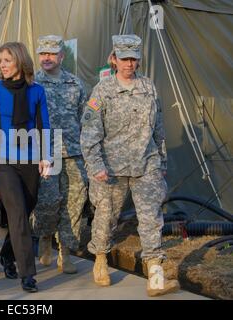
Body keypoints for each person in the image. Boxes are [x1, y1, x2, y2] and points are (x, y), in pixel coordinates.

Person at [81, 34, 180, 296]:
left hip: (146, 164)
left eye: (134, 59)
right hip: (110, 168)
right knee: (106, 217)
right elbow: (89, 133)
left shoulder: (148, 87)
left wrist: (161, 161)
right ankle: (100, 258)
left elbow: (158, 127)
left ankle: (155, 275)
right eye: (124, 58)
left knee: (151, 219)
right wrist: (95, 166)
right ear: (113, 59)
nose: (129, 64)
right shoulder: (102, 91)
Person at [0, 42, 51, 293]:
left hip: (32, 161)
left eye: (7, 60)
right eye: (0, 60)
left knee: (26, 209)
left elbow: (44, 125)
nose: (2, 65)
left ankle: (6, 253)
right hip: (4, 161)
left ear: (20, 62)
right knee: (19, 214)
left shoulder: (37, 91)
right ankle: (27, 274)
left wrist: (47, 157)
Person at [32, 35, 89, 274]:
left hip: (74, 153)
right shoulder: (33, 83)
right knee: (47, 202)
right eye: (43, 53)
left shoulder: (75, 84)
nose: (46, 57)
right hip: (46, 153)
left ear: (62, 56)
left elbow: (84, 118)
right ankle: (45, 237)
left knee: (74, 203)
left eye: (52, 53)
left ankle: (66, 252)